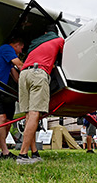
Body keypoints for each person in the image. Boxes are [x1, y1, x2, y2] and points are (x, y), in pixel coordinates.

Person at [17, 24, 64, 164]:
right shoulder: (59, 40)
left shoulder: (36, 43)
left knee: (28, 116)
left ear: (45, 32)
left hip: (24, 74)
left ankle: (35, 153)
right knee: (34, 114)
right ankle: (22, 156)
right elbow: (64, 60)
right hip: (39, 73)